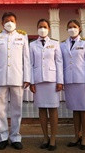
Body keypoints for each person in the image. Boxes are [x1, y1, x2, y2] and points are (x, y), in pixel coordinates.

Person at [0, 12, 30, 150]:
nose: (9, 23)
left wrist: (27, 77)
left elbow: (26, 59)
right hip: (0, 78)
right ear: (2, 23)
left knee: (17, 109)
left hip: (17, 78)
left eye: (11, 20)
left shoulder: (22, 37)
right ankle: (3, 137)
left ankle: (15, 136)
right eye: (6, 20)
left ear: (16, 22)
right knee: (1, 110)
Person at [29, 19, 63, 151]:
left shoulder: (55, 43)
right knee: (42, 110)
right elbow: (30, 64)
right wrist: (32, 81)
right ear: (37, 28)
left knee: (53, 109)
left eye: (44, 26)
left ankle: (53, 138)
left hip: (52, 80)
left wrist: (60, 81)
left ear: (48, 28)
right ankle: (45, 137)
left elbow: (59, 62)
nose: (42, 29)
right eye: (40, 26)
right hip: (38, 81)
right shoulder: (32, 45)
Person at [61, 20, 85, 150]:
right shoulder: (63, 44)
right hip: (69, 80)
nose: (72, 29)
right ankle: (77, 135)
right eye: (69, 27)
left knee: (84, 109)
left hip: (82, 80)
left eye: (74, 27)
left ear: (79, 28)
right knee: (75, 109)